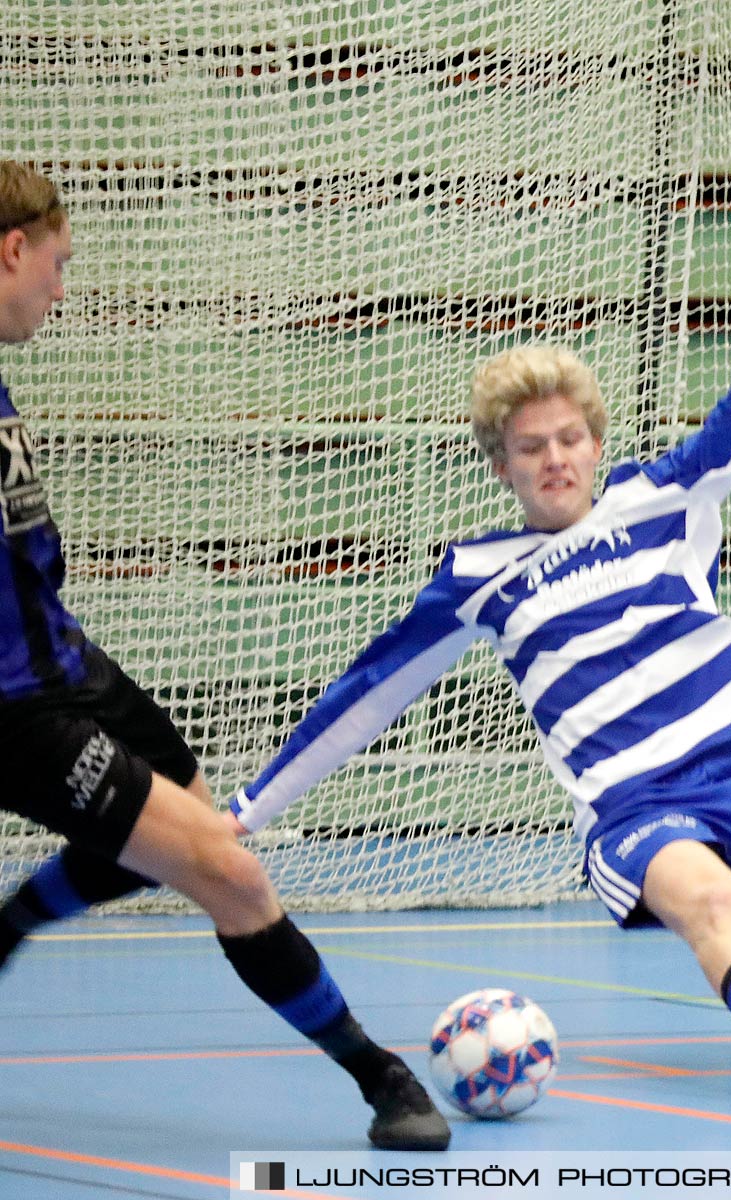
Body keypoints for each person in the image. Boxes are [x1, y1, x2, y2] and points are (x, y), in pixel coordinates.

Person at [219, 189, 731, 1106]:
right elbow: (370, 694)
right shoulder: (476, 574)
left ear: (596, 440)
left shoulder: (662, 501)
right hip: (632, 806)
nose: (555, 459)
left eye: (569, 438)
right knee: (713, 905)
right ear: (502, 466)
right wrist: (246, 812)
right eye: (530, 448)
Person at [0, 161, 450, 1149]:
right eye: (58, 266)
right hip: (12, 709)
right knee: (230, 877)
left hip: (65, 658)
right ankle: (379, 1077)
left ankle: (10, 923)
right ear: (12, 250)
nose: (61, 292)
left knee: (203, 830)